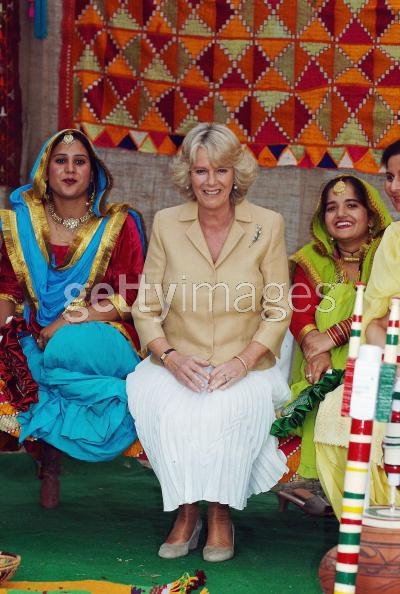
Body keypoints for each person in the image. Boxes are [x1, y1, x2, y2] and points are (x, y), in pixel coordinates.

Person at [127, 122, 291, 562]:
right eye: (201, 172)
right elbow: (145, 307)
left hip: (245, 363)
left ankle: (219, 515)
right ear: (189, 176)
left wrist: (242, 361)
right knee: (171, 412)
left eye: (221, 170)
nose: (211, 181)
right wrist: (171, 357)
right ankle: (185, 512)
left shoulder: (268, 225)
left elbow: (278, 310)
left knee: (227, 414)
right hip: (178, 361)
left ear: (236, 173)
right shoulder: (166, 223)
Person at [0, 129, 145, 507]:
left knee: (61, 347)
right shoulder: (22, 222)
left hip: (101, 334)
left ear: (93, 173)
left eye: (79, 162)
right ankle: (103, 406)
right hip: (34, 332)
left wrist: (65, 321)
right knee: (18, 354)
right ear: (45, 171)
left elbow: (130, 296)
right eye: (60, 161)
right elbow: (8, 291)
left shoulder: (118, 224)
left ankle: (50, 399)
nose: (69, 169)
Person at [277, 175, 392, 513]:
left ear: (370, 215)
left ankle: (365, 500)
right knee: (318, 399)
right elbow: (300, 311)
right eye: (331, 207)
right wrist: (317, 347)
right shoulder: (312, 258)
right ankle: (321, 488)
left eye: (351, 205)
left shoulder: (385, 254)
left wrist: (334, 336)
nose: (341, 213)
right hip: (321, 365)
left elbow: (377, 305)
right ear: (322, 219)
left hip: (375, 363)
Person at [314, 145, 400, 517]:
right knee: (340, 415)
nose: (394, 186)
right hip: (390, 365)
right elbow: (376, 320)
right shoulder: (395, 239)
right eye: (391, 176)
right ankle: (375, 532)